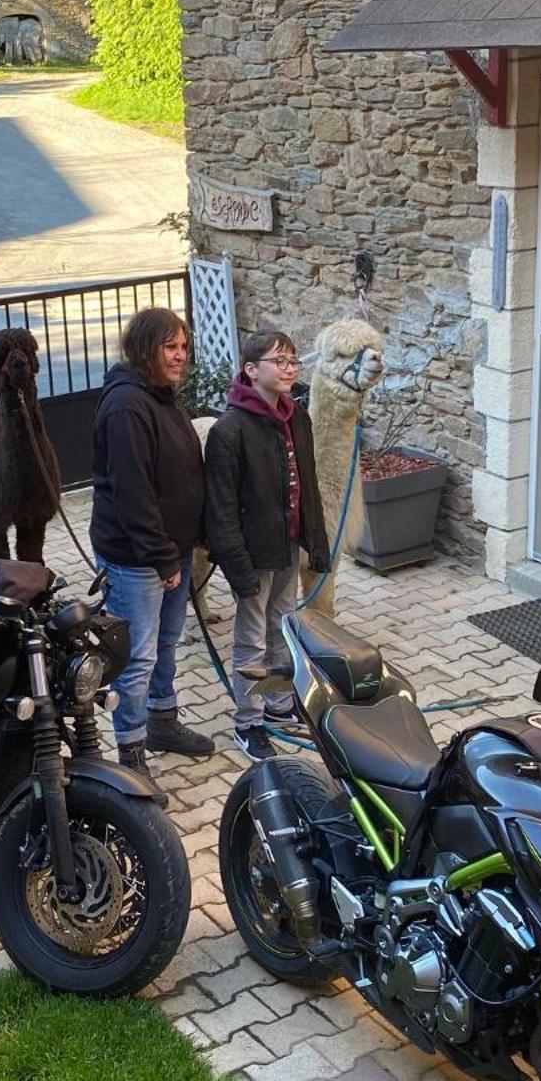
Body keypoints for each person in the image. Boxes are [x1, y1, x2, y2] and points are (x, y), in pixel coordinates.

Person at [91, 307, 216, 777]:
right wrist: (163, 556)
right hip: (137, 558)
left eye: (184, 346)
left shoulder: (162, 397)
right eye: (170, 346)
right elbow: (133, 491)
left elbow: (183, 472)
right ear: (145, 349)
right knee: (137, 655)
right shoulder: (127, 406)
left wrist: (198, 535)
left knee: (166, 642)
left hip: (170, 550)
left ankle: (162, 721)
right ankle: (130, 752)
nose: (181, 355)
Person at [203, 329, 330, 761]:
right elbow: (220, 510)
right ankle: (248, 722)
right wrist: (237, 569)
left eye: (293, 360)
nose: (290, 368)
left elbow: (307, 484)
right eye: (280, 361)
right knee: (251, 638)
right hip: (253, 556)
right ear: (252, 370)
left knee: (283, 629)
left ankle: (277, 705)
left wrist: (317, 542)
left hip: (287, 546)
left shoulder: (298, 418)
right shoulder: (229, 431)